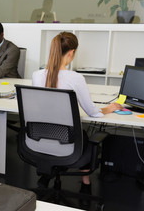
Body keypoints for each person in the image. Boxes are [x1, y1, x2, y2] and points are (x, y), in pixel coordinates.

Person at [32, 31, 122, 193]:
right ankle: (86, 184)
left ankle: (47, 172)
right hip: (67, 144)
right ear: (72, 53)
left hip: (40, 140)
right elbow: (92, 112)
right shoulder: (75, 78)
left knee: (77, 134)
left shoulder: (37, 76)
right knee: (85, 136)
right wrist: (109, 108)